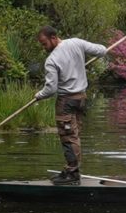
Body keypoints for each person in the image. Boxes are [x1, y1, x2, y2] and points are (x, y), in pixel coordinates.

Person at [36, 26, 109, 184]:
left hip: (66, 102)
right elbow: (103, 50)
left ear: (54, 37)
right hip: (81, 99)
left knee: (68, 137)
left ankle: (72, 173)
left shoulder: (51, 60)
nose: (44, 47)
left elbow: (50, 89)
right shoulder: (76, 43)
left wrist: (38, 95)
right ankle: (71, 170)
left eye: (44, 43)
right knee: (74, 136)